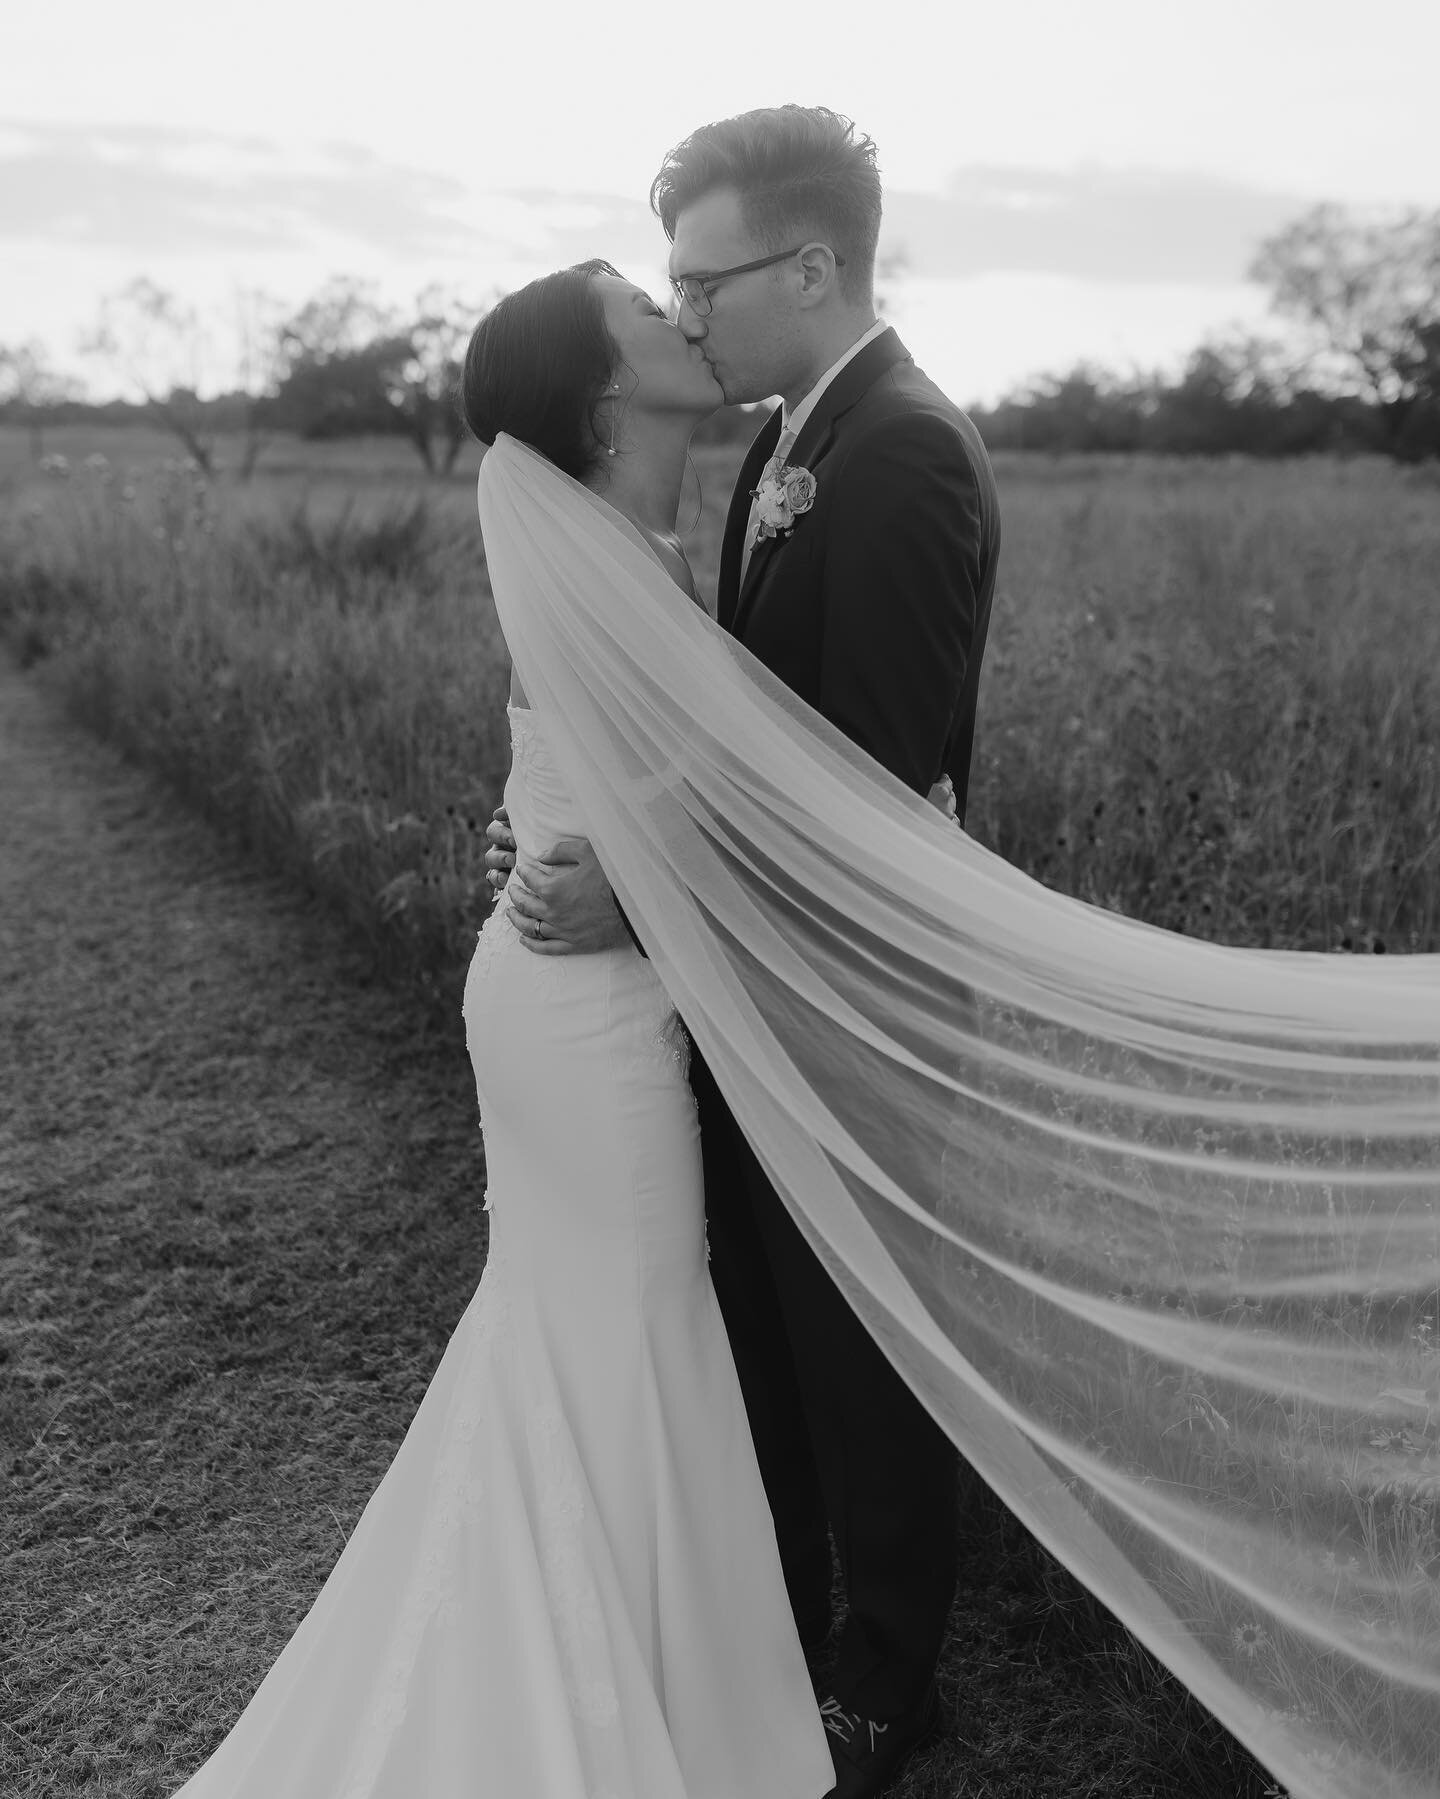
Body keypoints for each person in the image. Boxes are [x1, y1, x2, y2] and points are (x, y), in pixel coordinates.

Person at [165, 259, 836, 1798]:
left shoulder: (627, 546)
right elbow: (694, 820)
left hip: (569, 982)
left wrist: (556, 846)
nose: (678, 315)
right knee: (632, 1322)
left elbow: (589, 793)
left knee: (588, 1326)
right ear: (604, 397)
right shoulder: (618, 561)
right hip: (583, 1011)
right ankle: (600, 1710)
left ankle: (635, 1681)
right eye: (639, 308)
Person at [486, 103, 1000, 1799]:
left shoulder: (905, 450)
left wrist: (638, 899)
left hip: (851, 994)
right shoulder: (794, 449)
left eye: (700, 281)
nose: (684, 312)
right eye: (670, 293)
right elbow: (720, 755)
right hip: (745, 985)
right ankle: (771, 1633)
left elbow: (860, 784)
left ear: (808, 263)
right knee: (768, 1326)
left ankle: (884, 1677)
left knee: (857, 1343)